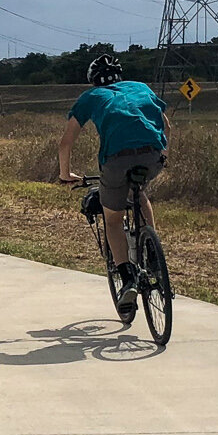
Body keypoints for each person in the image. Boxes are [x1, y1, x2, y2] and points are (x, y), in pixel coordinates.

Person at [56, 52, 168, 293]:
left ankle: (127, 278)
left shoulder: (92, 96)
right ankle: (153, 252)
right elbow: (166, 125)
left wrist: (65, 174)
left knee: (113, 219)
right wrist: (164, 155)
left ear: (93, 80)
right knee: (139, 193)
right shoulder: (140, 87)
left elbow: (65, 143)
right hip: (153, 153)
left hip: (116, 159)